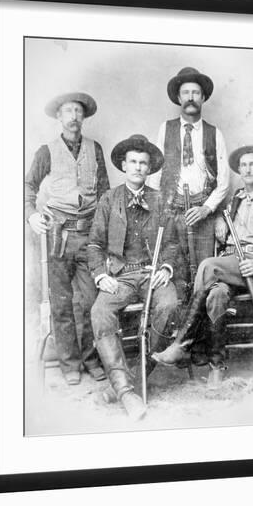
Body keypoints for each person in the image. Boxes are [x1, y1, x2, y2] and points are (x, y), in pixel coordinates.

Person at [152, 144, 253, 385]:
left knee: (208, 266)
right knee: (216, 295)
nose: (248, 169)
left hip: (252, 268)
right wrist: (222, 218)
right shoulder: (236, 200)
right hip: (230, 267)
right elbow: (227, 225)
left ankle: (183, 343)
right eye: (243, 165)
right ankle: (216, 366)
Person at [88, 135, 179, 420]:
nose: (138, 167)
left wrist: (165, 268)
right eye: (133, 162)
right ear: (124, 166)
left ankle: (131, 381)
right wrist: (101, 275)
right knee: (100, 312)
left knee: (168, 305)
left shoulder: (160, 199)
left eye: (144, 163)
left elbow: (172, 244)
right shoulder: (109, 199)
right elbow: (94, 244)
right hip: (122, 276)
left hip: (152, 273)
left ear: (149, 168)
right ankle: (127, 392)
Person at [25, 92, 110, 386]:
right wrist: (31, 215)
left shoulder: (94, 148)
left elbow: (105, 193)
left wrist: (103, 231)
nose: (73, 116)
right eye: (68, 111)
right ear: (59, 117)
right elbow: (28, 186)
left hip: (89, 235)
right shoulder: (46, 151)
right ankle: (69, 364)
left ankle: (90, 359)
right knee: (61, 303)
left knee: (90, 300)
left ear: (83, 117)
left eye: (78, 111)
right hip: (58, 235)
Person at [148, 66, 230, 287]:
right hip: (173, 213)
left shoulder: (215, 133)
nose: (190, 97)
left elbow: (224, 181)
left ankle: (202, 322)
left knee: (204, 276)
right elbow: (155, 173)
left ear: (203, 98)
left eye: (195, 93)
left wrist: (207, 209)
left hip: (202, 214)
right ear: (178, 97)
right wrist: (157, 212)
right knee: (176, 274)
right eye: (186, 93)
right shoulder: (166, 129)